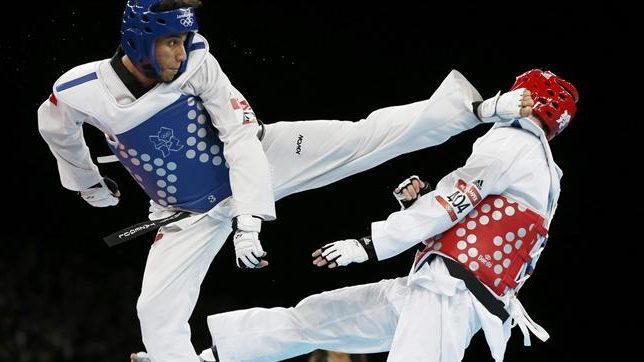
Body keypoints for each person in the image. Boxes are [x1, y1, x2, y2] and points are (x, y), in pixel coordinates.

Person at [37, 0, 532, 360]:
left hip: (263, 159)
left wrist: (250, 219)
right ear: (138, 42)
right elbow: (55, 128)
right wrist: (87, 184)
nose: (181, 52)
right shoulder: (79, 91)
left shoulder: (199, 60)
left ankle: (478, 108)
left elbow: (239, 137)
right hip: (187, 215)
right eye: (171, 42)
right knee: (155, 315)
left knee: (365, 138)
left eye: (185, 39)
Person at [202, 69, 578, 361]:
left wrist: (368, 245)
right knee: (318, 318)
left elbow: (450, 203)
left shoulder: (515, 141)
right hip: (433, 287)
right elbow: (466, 216)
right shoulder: (539, 169)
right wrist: (417, 202)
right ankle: (204, 356)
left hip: (449, 297)